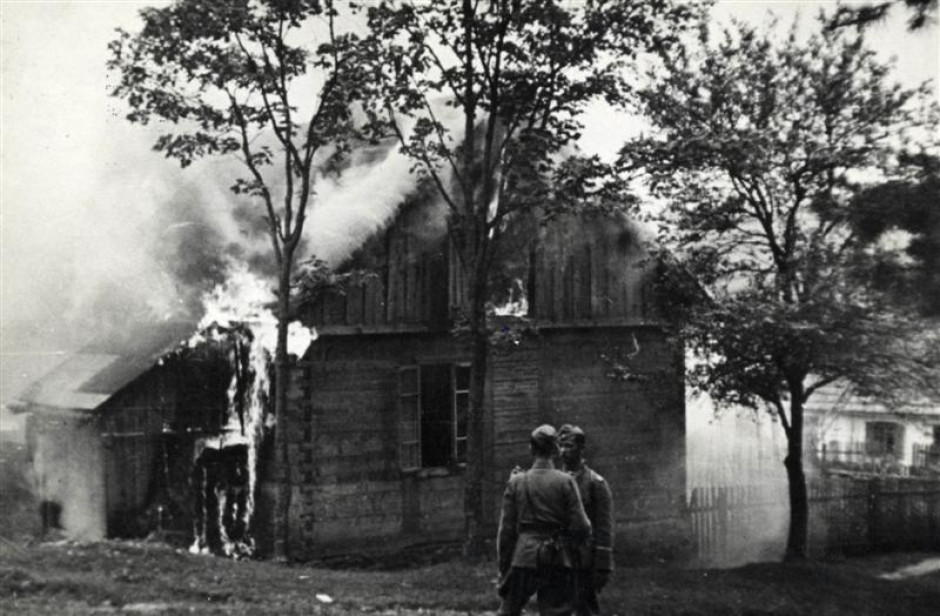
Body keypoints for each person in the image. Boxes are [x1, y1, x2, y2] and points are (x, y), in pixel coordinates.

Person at [497, 424, 592, 616]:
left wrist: (505, 568)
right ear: (555, 450)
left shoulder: (516, 481)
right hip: (557, 557)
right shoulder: (566, 481)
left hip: (524, 556)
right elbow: (582, 526)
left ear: (531, 448)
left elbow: (505, 532)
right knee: (556, 612)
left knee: (508, 611)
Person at [558, 424, 615, 616]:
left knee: (585, 609)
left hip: (583, 559)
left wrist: (603, 565)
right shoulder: (555, 480)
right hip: (557, 557)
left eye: (569, 446)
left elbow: (604, 527)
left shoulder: (595, 483)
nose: (564, 451)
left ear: (581, 449)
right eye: (561, 446)